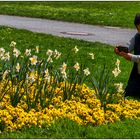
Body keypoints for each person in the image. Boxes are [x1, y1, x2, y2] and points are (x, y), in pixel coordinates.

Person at [114, 13, 140, 98]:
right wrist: (121, 50)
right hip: (137, 71)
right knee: (128, 93)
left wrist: (131, 57)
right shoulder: (137, 36)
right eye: (138, 29)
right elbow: (129, 46)